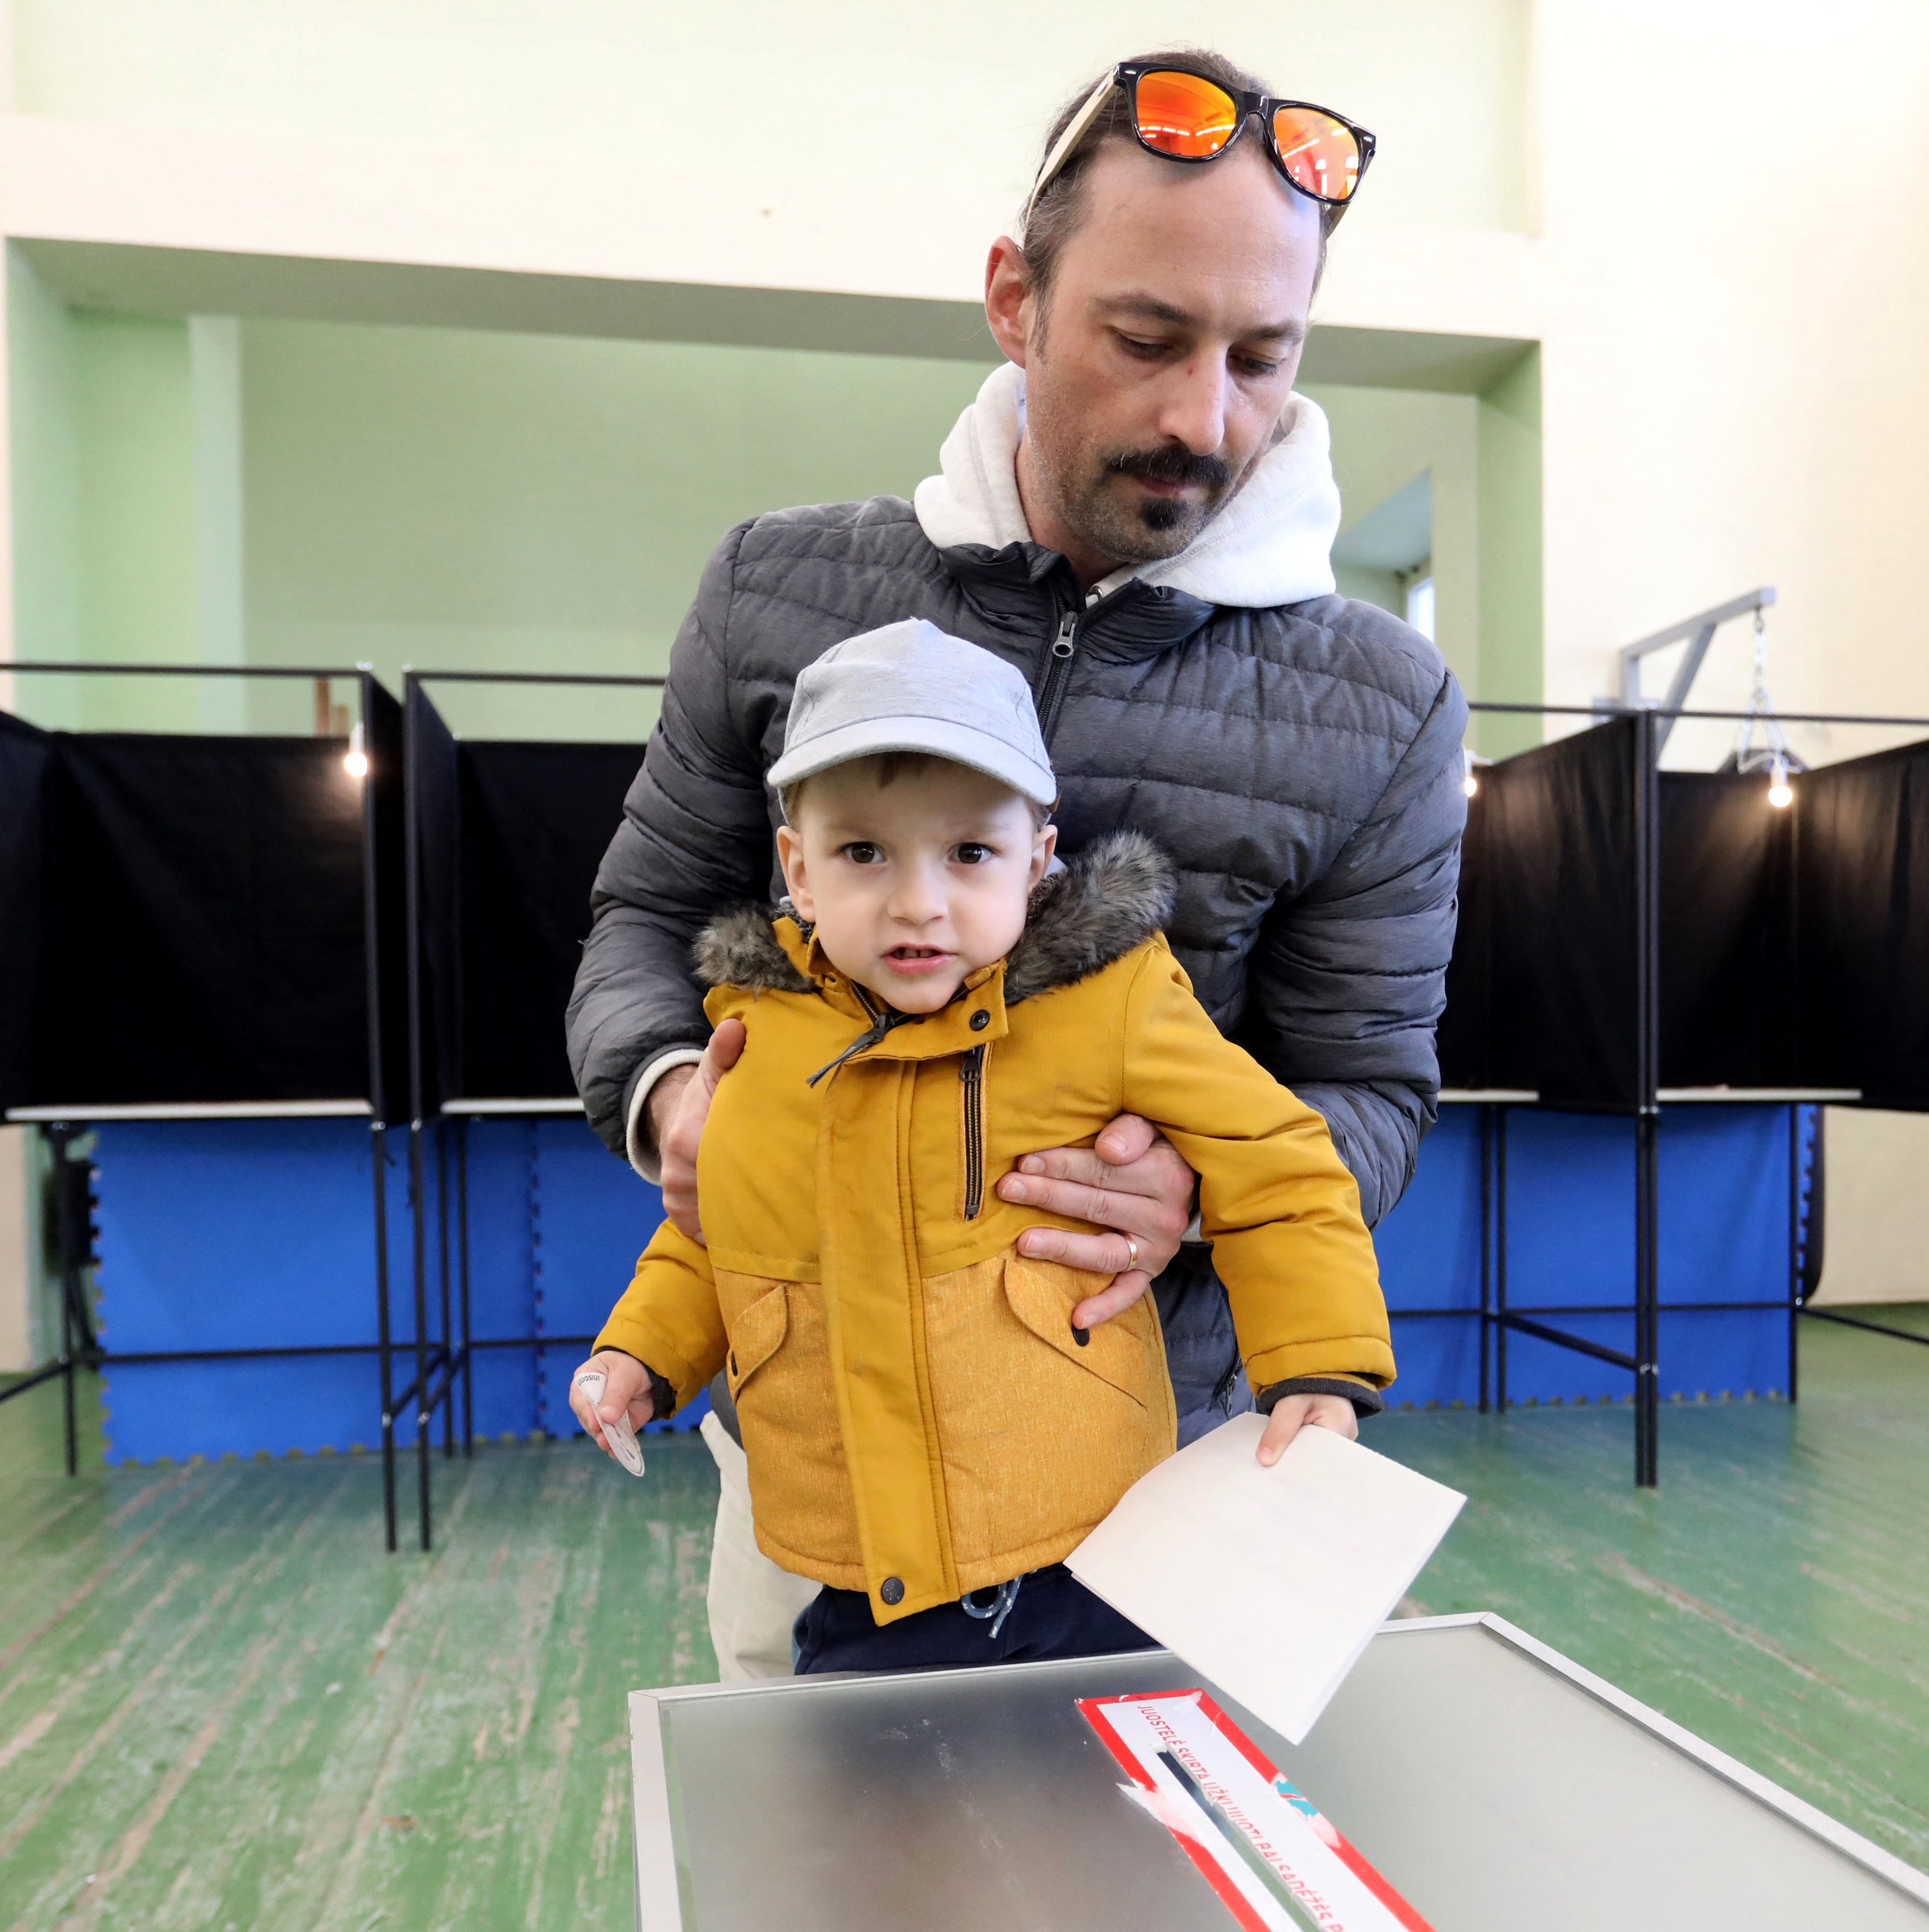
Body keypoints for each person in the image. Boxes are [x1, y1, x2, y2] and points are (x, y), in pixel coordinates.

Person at [568, 49, 1465, 1679]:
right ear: (1013, 300)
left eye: (1263, 359)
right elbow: (644, 912)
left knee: (1145, 1916)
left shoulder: (1382, 702)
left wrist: (1190, 1193)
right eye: (1145, 339)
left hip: (1169, 1476)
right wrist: (671, 1099)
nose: (1205, 418)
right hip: (821, 1463)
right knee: (833, 1894)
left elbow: (1370, 1092)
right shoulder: (777, 589)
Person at [571, 619, 1393, 1671]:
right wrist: (642, 1351)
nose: (920, 901)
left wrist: (1320, 1366)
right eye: (864, 852)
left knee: (1109, 1808)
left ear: (1038, 860)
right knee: (869, 1819)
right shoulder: (760, 1037)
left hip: (1094, 1554)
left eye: (970, 853)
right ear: (799, 870)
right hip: (855, 1570)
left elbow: (1281, 1166)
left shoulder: (1118, 1002)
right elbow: (720, 1229)